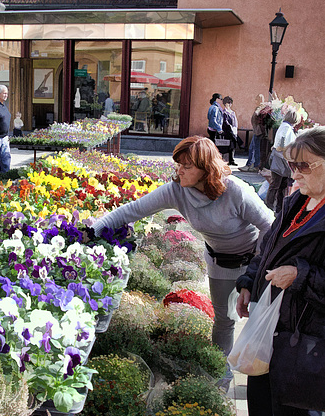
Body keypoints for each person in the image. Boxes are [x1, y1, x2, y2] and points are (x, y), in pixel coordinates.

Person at [92, 136, 274, 380]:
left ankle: (263, 375)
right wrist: (90, 232)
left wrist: (256, 269)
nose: (179, 171)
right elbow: (132, 210)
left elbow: (270, 226)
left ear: (206, 168)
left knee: (259, 319)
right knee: (224, 320)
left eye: (187, 166)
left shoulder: (235, 191)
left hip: (255, 261)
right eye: (178, 164)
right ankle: (220, 375)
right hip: (220, 263)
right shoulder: (177, 190)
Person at [235, 126, 325, 416]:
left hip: (307, 330)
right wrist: (248, 281)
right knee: (264, 389)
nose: (295, 173)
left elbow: (301, 269)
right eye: (291, 164)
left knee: (296, 409)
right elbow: (268, 248)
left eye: (303, 165)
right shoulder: (297, 201)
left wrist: (301, 274)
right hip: (275, 318)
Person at [265, 107, 298, 213]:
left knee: (280, 185)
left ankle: (278, 207)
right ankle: (270, 206)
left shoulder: (284, 126)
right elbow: (283, 141)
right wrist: (283, 148)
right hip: (281, 160)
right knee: (276, 185)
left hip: (280, 159)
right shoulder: (286, 128)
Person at [222, 96, 241, 166]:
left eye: (230, 103)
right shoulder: (224, 112)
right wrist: (230, 128)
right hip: (227, 132)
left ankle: (232, 160)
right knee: (228, 146)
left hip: (233, 131)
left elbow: (235, 122)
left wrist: (235, 130)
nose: (229, 104)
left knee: (233, 146)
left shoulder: (233, 112)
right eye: (228, 103)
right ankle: (227, 160)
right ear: (225, 103)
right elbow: (225, 122)